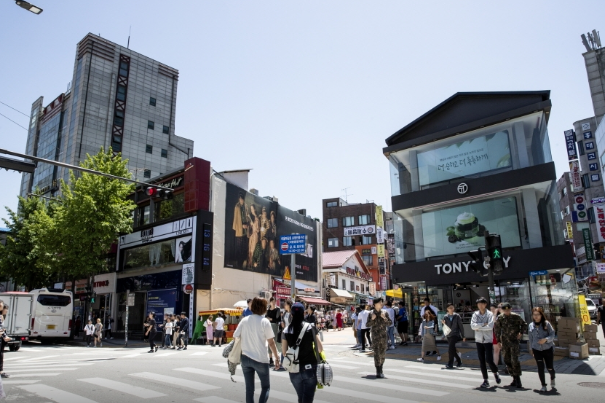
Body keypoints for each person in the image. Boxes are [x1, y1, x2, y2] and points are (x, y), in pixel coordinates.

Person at [233, 297, 280, 403]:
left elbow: (235, 336)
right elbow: (271, 342)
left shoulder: (244, 320)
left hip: (245, 357)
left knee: (249, 389)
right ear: (264, 308)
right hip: (260, 358)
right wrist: (277, 358)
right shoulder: (265, 322)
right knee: (265, 387)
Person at [283, 302, 323, 401]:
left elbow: (284, 352)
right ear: (303, 313)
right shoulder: (310, 327)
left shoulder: (287, 330)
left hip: (294, 369)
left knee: (301, 398)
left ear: (291, 314)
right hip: (309, 368)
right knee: (307, 399)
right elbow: (320, 348)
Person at [494, 302, 527, 388]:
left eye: (508, 310)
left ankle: (518, 379)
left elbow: (524, 325)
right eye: (505, 310)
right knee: (507, 360)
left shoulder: (516, 316)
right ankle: (514, 378)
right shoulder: (500, 317)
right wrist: (498, 341)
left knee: (514, 360)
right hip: (504, 341)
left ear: (511, 309)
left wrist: (520, 333)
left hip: (514, 341)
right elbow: (497, 329)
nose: (507, 311)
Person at [471, 297, 501, 388]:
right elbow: (472, 326)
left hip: (488, 339)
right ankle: (485, 380)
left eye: (482, 303)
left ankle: (495, 372)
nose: (480, 305)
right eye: (478, 304)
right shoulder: (475, 314)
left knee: (489, 359)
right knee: (481, 361)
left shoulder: (490, 314)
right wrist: (483, 324)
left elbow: (490, 326)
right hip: (478, 340)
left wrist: (478, 326)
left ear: (485, 304)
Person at [528, 307, 556, 392]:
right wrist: (531, 349)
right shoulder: (530, 325)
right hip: (537, 349)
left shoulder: (546, 324)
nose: (536, 316)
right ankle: (543, 385)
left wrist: (546, 339)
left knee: (549, 367)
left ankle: (552, 377)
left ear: (541, 315)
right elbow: (530, 338)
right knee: (540, 367)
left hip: (547, 348)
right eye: (534, 315)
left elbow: (552, 334)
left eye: (538, 314)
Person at [366, 298, 392, 378]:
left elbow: (390, 323)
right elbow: (367, 324)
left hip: (383, 336)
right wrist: (372, 319)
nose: (381, 304)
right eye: (380, 302)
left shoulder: (385, 312)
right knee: (377, 353)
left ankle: (381, 368)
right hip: (375, 336)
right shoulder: (371, 313)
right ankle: (378, 370)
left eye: (381, 302)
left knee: (382, 353)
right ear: (375, 304)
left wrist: (384, 318)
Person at [443, 303, 465, 369]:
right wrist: (443, 324)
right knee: (452, 349)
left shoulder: (457, 316)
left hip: (455, 334)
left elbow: (461, 326)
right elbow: (444, 327)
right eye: (449, 308)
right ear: (447, 309)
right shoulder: (445, 316)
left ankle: (450, 363)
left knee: (450, 349)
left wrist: (463, 335)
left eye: (452, 307)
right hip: (449, 334)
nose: (451, 309)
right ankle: (459, 361)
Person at [265, 297, 281, 367]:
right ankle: (270, 358)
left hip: (275, 326)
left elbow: (278, 319)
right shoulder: (268, 310)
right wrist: (269, 319)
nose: (274, 303)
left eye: (275, 301)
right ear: (270, 302)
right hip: (268, 326)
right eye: (272, 301)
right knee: (269, 342)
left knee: (275, 341)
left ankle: (277, 357)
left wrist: (271, 319)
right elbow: (265, 317)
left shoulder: (277, 309)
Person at [490, 303, 502, 367]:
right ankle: (495, 365)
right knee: (496, 350)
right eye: (491, 309)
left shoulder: (501, 316)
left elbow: (495, 322)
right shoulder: (491, 316)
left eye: (493, 309)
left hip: (502, 335)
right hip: (494, 334)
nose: (492, 310)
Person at [0, 301, 10, 378]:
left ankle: (1, 371)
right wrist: (4, 336)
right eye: (5, 308)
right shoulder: (0, 316)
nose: (6, 310)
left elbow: (1, 328)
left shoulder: (2, 316)